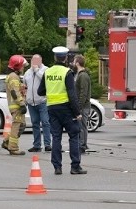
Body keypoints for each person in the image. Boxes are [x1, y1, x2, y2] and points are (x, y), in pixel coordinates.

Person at [38, 46, 86, 175]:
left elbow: (40, 91)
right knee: (74, 136)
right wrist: (77, 112)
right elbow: (72, 94)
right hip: (66, 109)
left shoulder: (47, 72)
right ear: (65, 58)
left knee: (56, 138)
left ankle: (57, 167)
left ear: (55, 57)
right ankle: (75, 166)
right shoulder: (67, 72)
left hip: (52, 108)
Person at [23, 54, 52, 153]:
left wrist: (36, 70)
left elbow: (46, 80)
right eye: (32, 61)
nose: (33, 63)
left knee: (45, 122)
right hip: (31, 102)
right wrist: (25, 97)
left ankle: (47, 144)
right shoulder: (27, 72)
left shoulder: (46, 70)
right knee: (35, 123)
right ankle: (37, 145)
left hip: (42, 101)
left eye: (36, 61)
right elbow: (25, 85)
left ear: (40, 61)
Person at [3, 54, 27, 156]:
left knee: (21, 125)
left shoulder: (14, 76)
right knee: (17, 126)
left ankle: (7, 143)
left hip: (16, 105)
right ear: (17, 66)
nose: (23, 68)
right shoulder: (13, 76)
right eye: (22, 66)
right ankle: (13, 148)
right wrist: (21, 104)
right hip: (17, 106)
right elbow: (14, 92)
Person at [73, 55, 92, 153]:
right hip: (82, 105)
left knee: (82, 126)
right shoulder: (80, 74)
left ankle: (82, 145)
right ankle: (82, 143)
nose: (73, 63)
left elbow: (83, 93)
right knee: (81, 125)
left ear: (77, 63)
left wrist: (79, 106)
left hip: (83, 106)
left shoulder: (83, 76)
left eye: (74, 61)